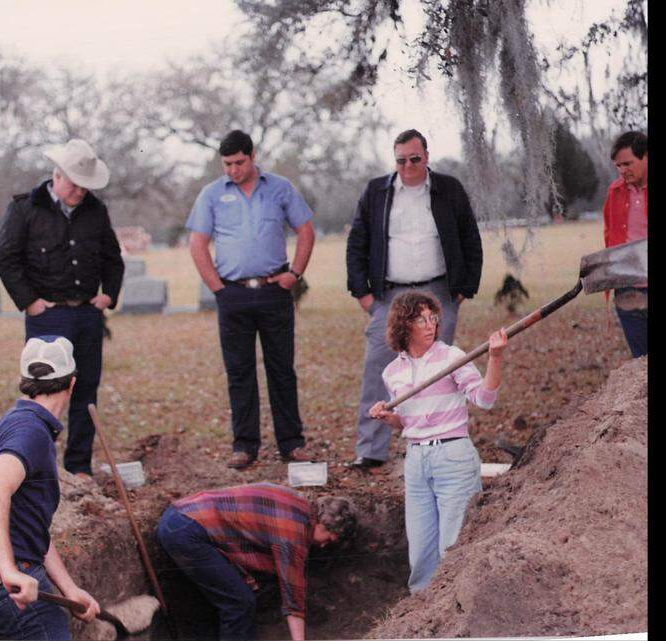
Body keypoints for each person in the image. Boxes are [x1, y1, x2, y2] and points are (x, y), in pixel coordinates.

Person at [344, 129, 484, 470]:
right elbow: (357, 242)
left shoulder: (448, 189)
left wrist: (463, 290)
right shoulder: (377, 192)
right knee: (378, 367)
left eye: (414, 159)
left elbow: (470, 238)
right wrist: (362, 295)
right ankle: (371, 450)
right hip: (390, 293)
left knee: (436, 370)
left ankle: (431, 444)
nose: (408, 166)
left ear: (426, 157)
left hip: (438, 292)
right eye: (401, 160)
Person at [0, 335, 101, 640]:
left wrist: (70, 589)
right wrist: (8, 570)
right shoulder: (30, 433)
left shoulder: (24, 422)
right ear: (71, 384)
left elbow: (31, 530)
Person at [186, 130, 316, 468]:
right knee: (239, 372)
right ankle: (244, 446)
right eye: (227, 164)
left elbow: (306, 230)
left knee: (281, 370)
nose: (233, 170)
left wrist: (295, 274)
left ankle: (292, 443)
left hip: (275, 291)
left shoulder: (280, 188)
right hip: (233, 294)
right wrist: (217, 288)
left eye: (239, 162)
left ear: (252, 155)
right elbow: (198, 243)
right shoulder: (212, 195)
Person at [0, 139, 124, 478]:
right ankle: (39, 467)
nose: (81, 192)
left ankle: (78, 467)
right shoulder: (25, 208)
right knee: (45, 390)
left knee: (86, 389)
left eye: (86, 186)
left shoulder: (95, 210)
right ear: (58, 175)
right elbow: (6, 260)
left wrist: (108, 294)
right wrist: (31, 303)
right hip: (47, 316)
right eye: (76, 184)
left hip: (86, 314)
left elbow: (113, 257)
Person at [368, 291, 506, 594]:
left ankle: (458, 611)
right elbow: (407, 420)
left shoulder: (452, 357)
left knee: (453, 547)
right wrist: (386, 415)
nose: (430, 325)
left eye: (433, 318)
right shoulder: (393, 372)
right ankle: (423, 618)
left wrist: (494, 356)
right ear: (404, 325)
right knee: (421, 553)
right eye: (421, 319)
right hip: (416, 462)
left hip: (452, 456)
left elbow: (484, 399)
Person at [156, 482, 357, 641]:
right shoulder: (292, 533)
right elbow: (292, 595)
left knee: (237, 593)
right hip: (186, 530)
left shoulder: (301, 506)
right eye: (329, 539)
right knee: (239, 603)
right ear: (323, 523)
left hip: (181, 515)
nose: (323, 546)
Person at [602, 130, 648, 357]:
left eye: (627, 164)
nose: (622, 171)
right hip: (627, 286)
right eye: (618, 166)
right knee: (641, 361)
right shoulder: (615, 192)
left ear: (645, 157)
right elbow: (610, 234)